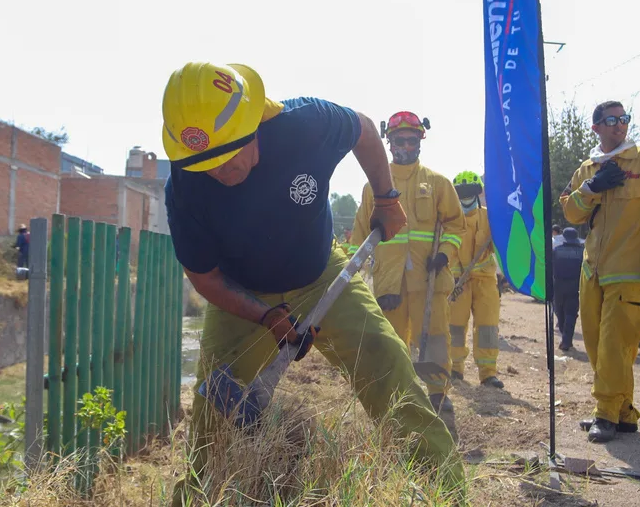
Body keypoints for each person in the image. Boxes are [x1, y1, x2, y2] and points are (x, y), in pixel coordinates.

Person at [161, 62, 465, 504]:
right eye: (207, 164)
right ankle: (198, 497)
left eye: (227, 156)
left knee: (385, 362)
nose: (220, 172)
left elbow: (362, 129)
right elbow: (204, 278)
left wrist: (386, 196)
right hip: (242, 294)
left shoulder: (304, 125)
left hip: (321, 274)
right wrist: (264, 314)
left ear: (252, 127)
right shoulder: (186, 186)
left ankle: (447, 492)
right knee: (212, 416)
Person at [559, 100, 640, 443]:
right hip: (592, 270)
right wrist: (592, 188)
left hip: (629, 270)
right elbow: (571, 213)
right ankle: (624, 412)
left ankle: (606, 413)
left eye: (624, 119)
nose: (619, 125)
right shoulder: (588, 168)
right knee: (597, 344)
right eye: (611, 120)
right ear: (596, 126)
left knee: (616, 345)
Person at [351, 111, 467, 436]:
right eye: (399, 140)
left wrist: (444, 254)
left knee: (435, 343)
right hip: (389, 284)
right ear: (388, 142)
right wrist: (349, 274)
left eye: (411, 140)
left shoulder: (438, 183)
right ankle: (396, 403)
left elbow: (457, 224)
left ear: (420, 142)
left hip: (430, 281)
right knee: (391, 345)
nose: (405, 145)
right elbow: (360, 235)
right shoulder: (372, 187)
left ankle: (437, 401)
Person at [446, 171, 505, 388]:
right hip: (456, 283)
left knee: (487, 326)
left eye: (471, 191)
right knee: (455, 326)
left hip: (485, 281)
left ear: (478, 192)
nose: (466, 196)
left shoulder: (490, 218)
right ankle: (454, 369)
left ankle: (488, 373)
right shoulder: (449, 219)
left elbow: (498, 247)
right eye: (461, 192)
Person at [552, 227, 585, 351]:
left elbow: (550, 268)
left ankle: (565, 338)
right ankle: (566, 340)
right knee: (571, 314)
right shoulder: (582, 252)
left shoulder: (556, 251)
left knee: (560, 313)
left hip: (558, 286)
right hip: (575, 286)